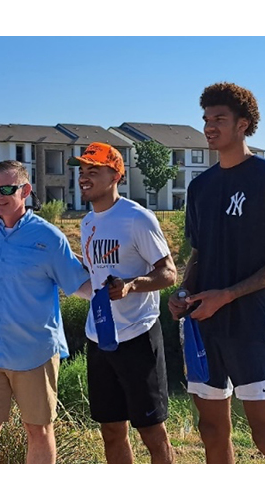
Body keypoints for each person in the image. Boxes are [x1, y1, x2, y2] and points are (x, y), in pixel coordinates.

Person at [168, 82, 265, 463]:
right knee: (211, 430)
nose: (209, 126)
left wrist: (228, 294)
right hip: (203, 324)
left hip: (253, 326)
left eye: (219, 119)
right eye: (206, 119)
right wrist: (182, 292)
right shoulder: (200, 188)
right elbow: (200, 254)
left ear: (244, 124)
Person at [0, 160, 90, 464]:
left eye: (7, 188)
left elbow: (80, 284)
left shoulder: (49, 237)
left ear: (26, 191)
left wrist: (124, 288)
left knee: (39, 430)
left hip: (34, 353)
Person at [76, 142, 177, 464]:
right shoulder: (87, 221)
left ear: (116, 175)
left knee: (152, 433)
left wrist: (132, 286)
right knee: (111, 430)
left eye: (94, 170)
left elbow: (169, 273)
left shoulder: (137, 218)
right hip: (100, 337)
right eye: (82, 171)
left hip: (137, 337)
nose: (84, 177)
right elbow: (95, 272)